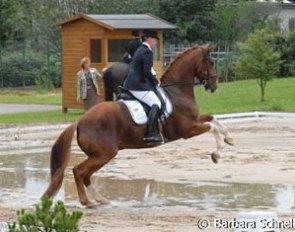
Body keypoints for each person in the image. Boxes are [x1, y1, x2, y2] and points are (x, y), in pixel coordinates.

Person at [124, 29, 162, 145]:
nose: (155, 42)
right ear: (149, 39)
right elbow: (146, 71)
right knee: (157, 104)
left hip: (132, 82)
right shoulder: (147, 51)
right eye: (155, 40)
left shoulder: (141, 49)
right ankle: (150, 135)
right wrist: (155, 81)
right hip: (138, 85)